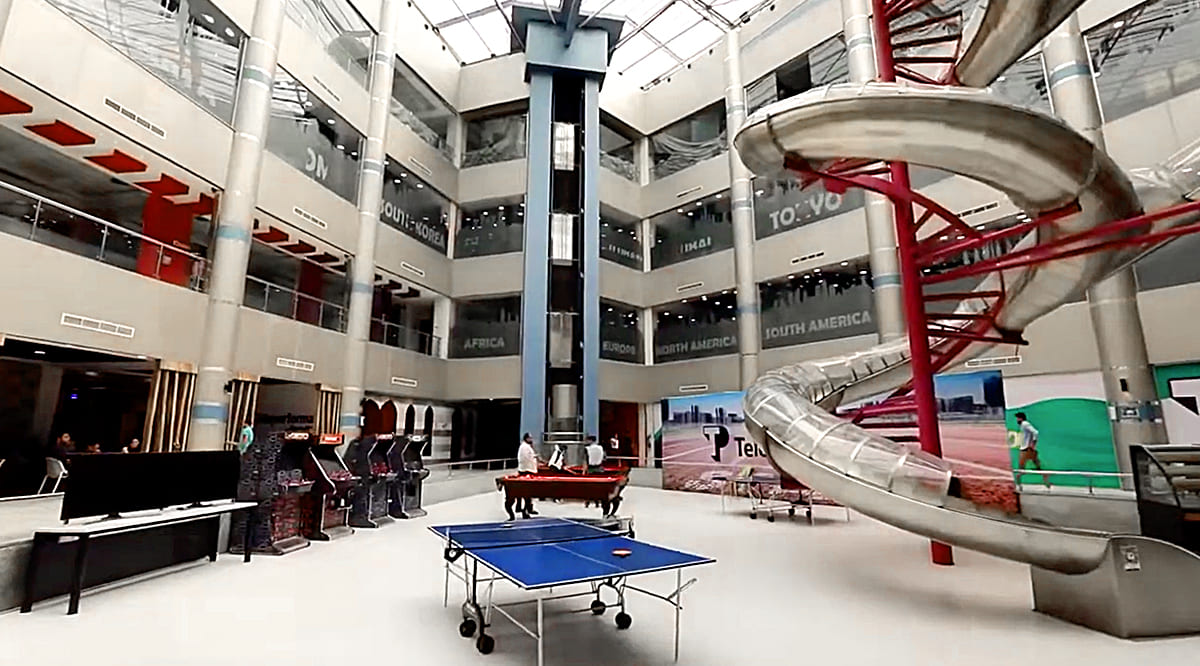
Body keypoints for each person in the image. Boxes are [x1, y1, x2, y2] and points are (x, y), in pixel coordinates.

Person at [1013, 412, 1050, 486]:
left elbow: (1035, 432)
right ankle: (1046, 479)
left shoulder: (1025, 424)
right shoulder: (1023, 425)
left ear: (1021, 418)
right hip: (1027, 449)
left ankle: (1018, 484)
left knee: (1021, 468)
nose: (1017, 420)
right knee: (1037, 466)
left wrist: (1033, 443)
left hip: (1026, 449)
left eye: (1018, 418)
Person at [516, 433, 539, 516]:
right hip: (526, 470)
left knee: (528, 492)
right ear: (526, 438)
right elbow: (525, 459)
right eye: (530, 438)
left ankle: (529, 507)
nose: (531, 439)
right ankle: (526, 509)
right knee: (527, 492)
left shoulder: (527, 446)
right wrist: (533, 458)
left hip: (528, 469)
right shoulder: (524, 447)